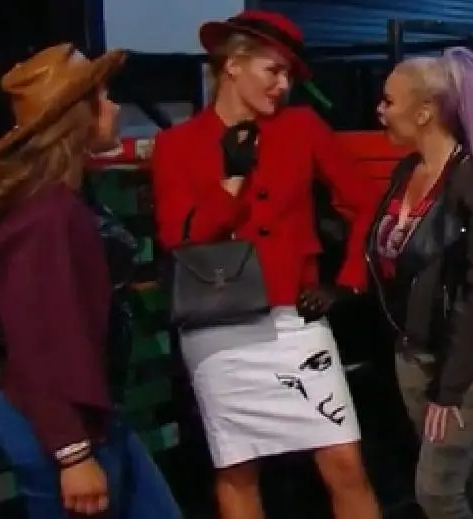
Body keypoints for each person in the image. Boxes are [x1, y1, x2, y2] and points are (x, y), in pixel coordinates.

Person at [151, 10, 381, 519]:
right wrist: (230, 184)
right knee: (238, 470)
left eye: (288, 75)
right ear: (233, 65)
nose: (283, 85)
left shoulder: (302, 128)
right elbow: (178, 237)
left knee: (344, 461)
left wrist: (347, 281)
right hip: (217, 325)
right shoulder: (177, 144)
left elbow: (365, 203)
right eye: (273, 71)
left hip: (294, 319)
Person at [0, 44, 181, 518]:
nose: (115, 107)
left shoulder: (68, 198)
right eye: (103, 97)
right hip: (59, 424)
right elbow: (37, 341)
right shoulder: (46, 215)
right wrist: (71, 452)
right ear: (79, 116)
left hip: (90, 413)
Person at [367, 47, 473, 519]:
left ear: (424, 111)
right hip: (414, 353)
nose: (380, 110)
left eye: (389, 101)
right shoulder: (407, 171)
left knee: (436, 492)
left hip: (467, 361)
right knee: (454, 481)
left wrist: (451, 387)